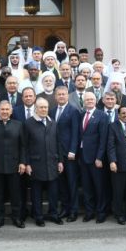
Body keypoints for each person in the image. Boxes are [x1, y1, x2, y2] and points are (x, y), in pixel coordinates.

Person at [0, 100, 26, 229]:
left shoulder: (18, 125)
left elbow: (23, 146)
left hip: (14, 166)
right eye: (2, 109)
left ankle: (17, 217)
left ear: (11, 111)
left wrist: (23, 162)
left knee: (16, 194)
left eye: (7, 109)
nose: (5, 112)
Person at [23, 98, 64, 227]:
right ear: (36, 108)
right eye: (41, 107)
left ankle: (53, 214)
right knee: (36, 192)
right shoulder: (28, 123)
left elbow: (58, 142)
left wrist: (60, 161)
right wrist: (27, 163)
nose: (44, 109)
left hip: (52, 162)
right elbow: (25, 145)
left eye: (45, 107)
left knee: (53, 192)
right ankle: (38, 216)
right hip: (36, 164)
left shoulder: (53, 122)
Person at [77, 91, 109, 223]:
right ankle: (89, 212)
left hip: (96, 159)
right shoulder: (82, 114)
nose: (89, 101)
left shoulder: (102, 116)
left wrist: (99, 157)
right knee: (87, 186)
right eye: (87, 99)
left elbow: (103, 139)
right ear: (84, 102)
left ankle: (101, 212)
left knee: (99, 187)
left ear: (96, 101)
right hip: (83, 158)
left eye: (91, 99)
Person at [52, 86, 80, 222]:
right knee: (61, 183)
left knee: (72, 183)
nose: (61, 96)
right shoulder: (51, 111)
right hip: (57, 154)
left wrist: (73, 150)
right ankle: (65, 208)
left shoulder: (73, 111)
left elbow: (76, 133)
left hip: (69, 154)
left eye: (63, 94)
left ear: (67, 96)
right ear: (55, 97)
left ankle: (74, 210)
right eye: (59, 94)